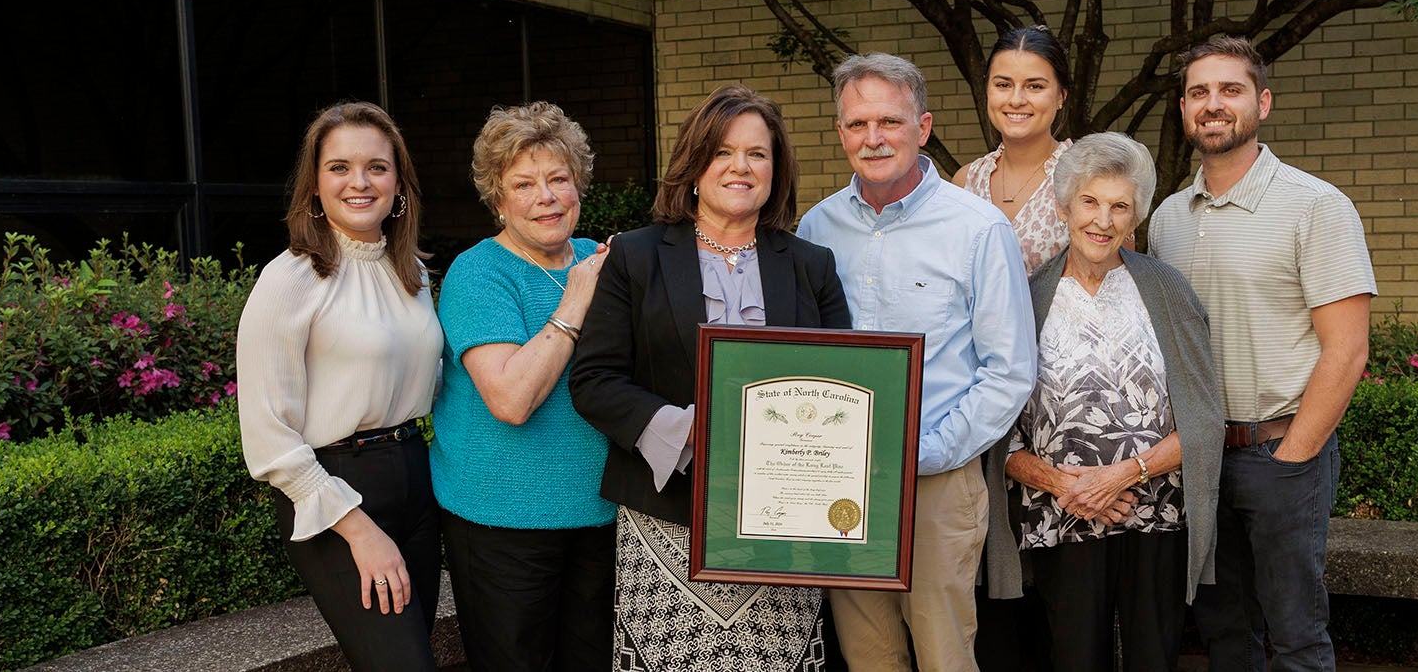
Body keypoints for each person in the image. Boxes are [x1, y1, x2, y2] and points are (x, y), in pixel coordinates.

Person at [569, 84, 852, 672]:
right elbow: (594, 379)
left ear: (777, 170)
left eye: (758, 153)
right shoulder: (636, 256)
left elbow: (843, 392)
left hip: (782, 521)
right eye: (723, 152)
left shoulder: (809, 264)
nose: (741, 167)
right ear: (694, 165)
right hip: (666, 514)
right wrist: (687, 430)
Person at [796, 53, 1038, 672]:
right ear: (841, 132)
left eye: (889, 122)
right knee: (868, 654)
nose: (872, 139)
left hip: (936, 476)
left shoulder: (979, 230)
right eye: (856, 125)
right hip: (841, 480)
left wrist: (925, 452)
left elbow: (1009, 370)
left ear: (923, 127)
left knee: (944, 654)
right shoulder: (815, 228)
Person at [1145, 36, 1377, 672]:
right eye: (1198, 92)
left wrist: (1295, 453)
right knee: (1224, 634)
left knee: (1296, 636)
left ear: (1263, 103)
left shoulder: (1315, 206)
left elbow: (1348, 350)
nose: (1212, 104)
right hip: (1200, 459)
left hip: (1281, 453)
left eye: (1231, 90)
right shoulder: (1166, 218)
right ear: (1184, 109)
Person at [981, 133, 1223, 671]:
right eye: (1090, 202)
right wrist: (1067, 485)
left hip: (1154, 514)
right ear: (1065, 207)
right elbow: (999, 432)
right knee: (1072, 659)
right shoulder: (1027, 294)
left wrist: (1122, 476)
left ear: (1135, 216)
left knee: (1152, 660)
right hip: (1062, 517)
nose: (1103, 220)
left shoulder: (1168, 290)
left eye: (1120, 206)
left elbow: (1205, 422)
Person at [237, 101, 442, 671]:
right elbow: (268, 435)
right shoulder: (288, 280)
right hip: (337, 491)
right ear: (314, 185)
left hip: (414, 475)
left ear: (398, 183)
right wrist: (360, 530)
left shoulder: (413, 273)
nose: (360, 182)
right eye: (339, 167)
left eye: (377, 167)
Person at [430, 101, 615, 671]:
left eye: (559, 178)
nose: (548, 196)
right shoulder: (478, 273)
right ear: (498, 199)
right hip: (502, 522)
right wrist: (577, 300)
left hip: (603, 514)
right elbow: (510, 399)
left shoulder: (600, 259)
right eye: (525, 183)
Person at [956, 25, 1076, 272]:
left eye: (1035, 87)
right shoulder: (966, 181)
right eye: (1003, 85)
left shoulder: (1086, 177)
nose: (1017, 100)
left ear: (1061, 96)